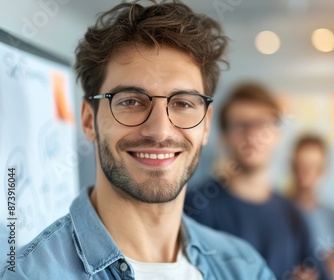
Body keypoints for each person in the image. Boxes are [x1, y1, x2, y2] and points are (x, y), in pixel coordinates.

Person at [0, 1, 275, 279]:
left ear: (205, 125)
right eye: (131, 101)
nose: (160, 131)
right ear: (88, 120)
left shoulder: (246, 268)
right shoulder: (28, 274)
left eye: (182, 103)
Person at [184, 83, 326, 280]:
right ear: (224, 137)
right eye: (240, 125)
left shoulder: (294, 215)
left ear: (277, 134)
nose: (252, 135)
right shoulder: (196, 206)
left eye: (262, 124)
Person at [288, 134, 334, 279]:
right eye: (300, 166)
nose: (306, 173)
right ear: (292, 167)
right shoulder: (277, 214)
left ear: (323, 170)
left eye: (313, 167)